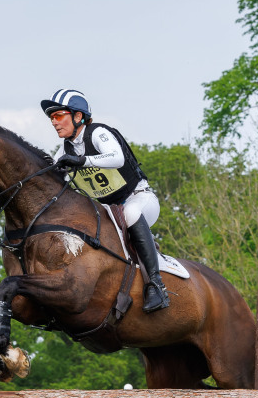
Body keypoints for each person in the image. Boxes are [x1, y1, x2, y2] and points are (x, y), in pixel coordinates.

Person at [41, 88, 169, 312]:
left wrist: (81, 161)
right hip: (107, 210)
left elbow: (117, 158)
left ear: (78, 116)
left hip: (139, 198)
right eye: (52, 118)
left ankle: (156, 286)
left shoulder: (98, 133)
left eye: (58, 115)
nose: (54, 122)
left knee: (130, 214)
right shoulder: (66, 149)